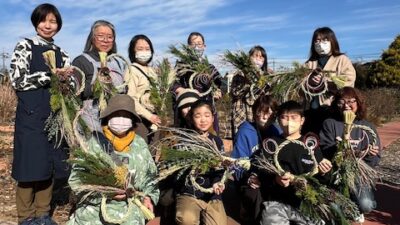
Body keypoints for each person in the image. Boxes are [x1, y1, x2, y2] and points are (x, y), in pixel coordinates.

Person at [9, 3, 71, 224]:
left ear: (58, 26)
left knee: (48, 165)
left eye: (53, 21)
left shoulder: (61, 53)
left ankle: (43, 214)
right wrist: (50, 76)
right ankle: (26, 218)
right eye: (44, 20)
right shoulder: (25, 45)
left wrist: (66, 80)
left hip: (55, 117)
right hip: (31, 114)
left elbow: (68, 88)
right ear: (36, 22)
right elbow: (17, 79)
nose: (48, 25)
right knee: (28, 166)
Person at [67, 94, 159, 225]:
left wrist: (149, 198)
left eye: (126, 115)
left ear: (133, 120)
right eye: (116, 114)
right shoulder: (92, 143)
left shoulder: (140, 145)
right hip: (94, 211)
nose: (121, 119)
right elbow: (76, 180)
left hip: (130, 211)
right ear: (107, 117)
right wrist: (104, 192)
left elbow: (151, 178)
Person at [253, 101, 330, 225]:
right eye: (284, 118)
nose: (289, 123)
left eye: (294, 118)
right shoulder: (271, 144)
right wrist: (275, 179)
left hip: (305, 201)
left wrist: (324, 172)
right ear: (278, 120)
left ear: (302, 120)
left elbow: (321, 179)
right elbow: (262, 173)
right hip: (277, 201)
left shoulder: (310, 144)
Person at [319, 87, 381, 221]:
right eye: (341, 102)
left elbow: (376, 158)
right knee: (335, 209)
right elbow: (325, 149)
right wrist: (339, 148)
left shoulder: (367, 127)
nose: (346, 105)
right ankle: (345, 201)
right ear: (336, 104)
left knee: (366, 205)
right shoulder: (330, 123)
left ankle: (358, 206)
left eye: (351, 101)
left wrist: (369, 154)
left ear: (358, 103)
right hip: (336, 174)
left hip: (358, 174)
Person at [229, 94, 280, 225]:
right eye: (260, 112)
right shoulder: (245, 131)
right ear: (254, 113)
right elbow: (236, 163)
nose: (264, 117)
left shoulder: (277, 131)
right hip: (248, 176)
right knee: (256, 193)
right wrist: (248, 177)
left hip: (270, 176)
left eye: (269, 113)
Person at [175, 100, 227, 225]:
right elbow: (177, 170)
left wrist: (217, 183)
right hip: (190, 192)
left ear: (213, 118)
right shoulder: (184, 141)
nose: (203, 120)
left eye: (207, 115)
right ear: (192, 118)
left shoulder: (217, 141)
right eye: (198, 116)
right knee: (186, 219)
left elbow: (221, 170)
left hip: (211, 193)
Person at [72, 20, 126, 133]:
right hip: (92, 121)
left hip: (117, 120)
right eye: (100, 36)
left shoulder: (117, 62)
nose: (105, 40)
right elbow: (75, 94)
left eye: (110, 37)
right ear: (92, 38)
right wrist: (97, 85)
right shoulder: (81, 61)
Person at [302, 27, 356, 134]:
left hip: (332, 110)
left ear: (332, 41)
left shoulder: (342, 59)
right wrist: (309, 82)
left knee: (331, 139)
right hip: (310, 111)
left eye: (324, 40)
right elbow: (299, 86)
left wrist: (325, 82)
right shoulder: (309, 63)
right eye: (317, 41)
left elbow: (348, 81)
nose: (320, 44)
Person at [171, 32, 222, 134]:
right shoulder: (181, 66)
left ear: (204, 46)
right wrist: (185, 92)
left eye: (199, 44)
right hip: (188, 112)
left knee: (210, 140)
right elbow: (172, 83)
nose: (196, 47)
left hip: (207, 111)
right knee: (189, 141)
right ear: (188, 47)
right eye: (193, 44)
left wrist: (218, 92)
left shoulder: (210, 67)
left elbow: (221, 83)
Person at [125, 34, 160, 144]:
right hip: (141, 120)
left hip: (155, 117)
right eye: (140, 49)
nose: (144, 52)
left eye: (147, 49)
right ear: (133, 51)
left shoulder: (152, 70)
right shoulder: (132, 70)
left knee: (156, 150)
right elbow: (131, 98)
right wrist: (149, 116)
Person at [230, 45, 270, 138]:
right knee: (243, 137)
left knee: (260, 137)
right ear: (249, 58)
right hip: (243, 111)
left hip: (260, 110)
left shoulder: (266, 76)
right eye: (255, 56)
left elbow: (268, 95)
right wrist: (246, 82)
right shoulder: (240, 74)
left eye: (261, 57)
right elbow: (235, 93)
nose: (258, 59)